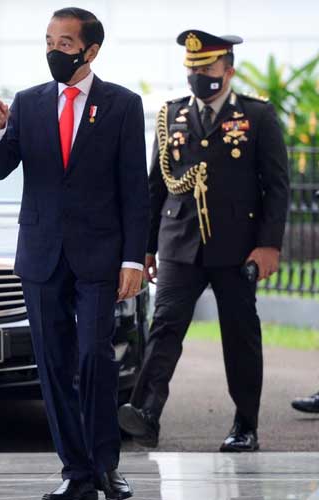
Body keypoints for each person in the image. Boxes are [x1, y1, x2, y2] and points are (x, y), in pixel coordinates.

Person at [0, 7, 148, 500]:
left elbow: (134, 189)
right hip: (42, 254)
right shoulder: (28, 104)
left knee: (96, 356)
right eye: (50, 41)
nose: (55, 50)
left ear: (91, 51)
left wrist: (134, 259)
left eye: (66, 43)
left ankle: (105, 465)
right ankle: (76, 472)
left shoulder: (122, 104)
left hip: (100, 256)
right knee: (53, 364)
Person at [118, 30, 290, 453]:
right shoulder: (171, 115)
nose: (198, 76)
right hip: (180, 242)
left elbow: (278, 186)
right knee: (165, 328)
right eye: (192, 69)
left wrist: (269, 245)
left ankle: (244, 424)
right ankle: (146, 416)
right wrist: (145, 248)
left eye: (207, 68)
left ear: (228, 70)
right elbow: (155, 186)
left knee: (240, 335)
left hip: (237, 245)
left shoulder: (257, 116)